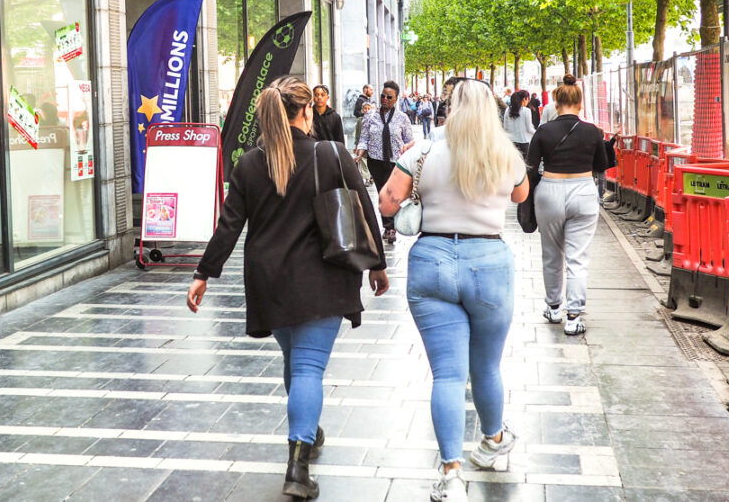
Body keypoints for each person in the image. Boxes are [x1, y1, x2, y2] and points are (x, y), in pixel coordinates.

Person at [188, 76, 390, 500]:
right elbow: (364, 208)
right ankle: (297, 467)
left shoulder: (248, 164)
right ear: (308, 110)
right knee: (308, 369)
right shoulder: (331, 154)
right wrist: (377, 266)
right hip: (323, 276)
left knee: (296, 362)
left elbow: (229, 225)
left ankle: (307, 431)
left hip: (269, 280)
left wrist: (203, 274)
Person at [378, 80, 529, 502]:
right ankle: (494, 440)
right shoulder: (505, 155)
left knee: (447, 373)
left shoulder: (422, 152)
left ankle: (451, 475)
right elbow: (520, 194)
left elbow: (387, 203)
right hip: (489, 263)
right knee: (486, 367)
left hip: (432, 260)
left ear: (451, 107)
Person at [527, 74, 608, 336]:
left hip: (549, 191)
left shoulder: (543, 131)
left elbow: (530, 167)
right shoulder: (592, 131)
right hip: (583, 191)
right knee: (577, 258)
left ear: (555, 103)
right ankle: (574, 316)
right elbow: (601, 166)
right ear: (580, 104)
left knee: (551, 254)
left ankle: (553, 307)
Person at [355, 81, 414, 244]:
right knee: (382, 193)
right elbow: (364, 138)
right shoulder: (370, 116)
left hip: (396, 162)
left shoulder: (402, 118)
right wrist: (360, 153)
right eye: (383, 96)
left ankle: (392, 226)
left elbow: (410, 141)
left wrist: (409, 155)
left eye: (389, 97)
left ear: (396, 99)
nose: (385, 99)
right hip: (376, 161)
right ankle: (388, 227)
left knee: (393, 193)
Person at [503, 89, 535, 163]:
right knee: (524, 165)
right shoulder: (526, 111)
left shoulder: (508, 110)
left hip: (511, 143)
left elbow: (505, 128)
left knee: (512, 165)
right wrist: (537, 133)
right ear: (524, 99)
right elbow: (529, 129)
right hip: (524, 142)